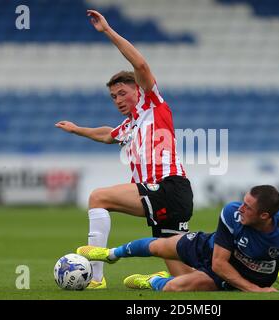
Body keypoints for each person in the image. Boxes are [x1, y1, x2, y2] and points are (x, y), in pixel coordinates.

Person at [55, 9, 194, 289]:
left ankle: (95, 279)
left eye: (122, 93)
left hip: (168, 187)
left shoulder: (153, 105)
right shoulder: (130, 125)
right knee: (189, 279)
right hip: (170, 196)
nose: (117, 100)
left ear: (138, 90)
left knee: (98, 197)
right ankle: (249, 270)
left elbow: (140, 65)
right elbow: (108, 134)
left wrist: (107, 31)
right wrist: (77, 129)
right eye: (113, 96)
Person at [77, 185, 279, 292]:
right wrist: (253, 290)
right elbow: (219, 262)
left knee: (175, 288)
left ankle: (153, 280)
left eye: (249, 208)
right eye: (243, 202)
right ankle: (112, 254)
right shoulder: (232, 213)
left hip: (227, 273)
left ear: (266, 216)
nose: (241, 208)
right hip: (209, 251)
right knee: (160, 246)